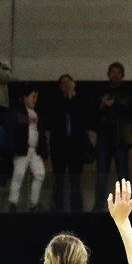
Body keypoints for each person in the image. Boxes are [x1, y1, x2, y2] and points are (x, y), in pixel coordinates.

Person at [93, 62, 132, 211]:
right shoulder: (101, 92)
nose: (115, 74)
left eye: (118, 72)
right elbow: (94, 116)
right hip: (104, 137)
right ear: (108, 74)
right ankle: (98, 206)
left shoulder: (128, 92)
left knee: (123, 175)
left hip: (121, 138)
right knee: (101, 174)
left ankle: (127, 207)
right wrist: (103, 104)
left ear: (122, 75)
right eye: (113, 72)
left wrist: (115, 102)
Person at [48, 74, 90, 213]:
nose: (66, 85)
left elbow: (82, 117)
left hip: (75, 146)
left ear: (73, 83)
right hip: (59, 145)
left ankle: (76, 209)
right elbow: (56, 116)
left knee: (75, 180)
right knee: (58, 179)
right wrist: (67, 98)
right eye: (63, 83)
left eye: (68, 82)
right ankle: (58, 208)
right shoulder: (55, 101)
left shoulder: (80, 100)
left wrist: (73, 96)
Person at [7, 87, 47, 212]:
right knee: (18, 175)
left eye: (36, 97)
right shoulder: (17, 112)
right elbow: (11, 131)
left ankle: (34, 203)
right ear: (25, 97)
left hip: (34, 150)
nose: (35, 100)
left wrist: (44, 150)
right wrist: (12, 148)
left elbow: (41, 134)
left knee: (40, 173)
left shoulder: (36, 114)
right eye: (32, 96)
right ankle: (13, 202)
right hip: (22, 149)